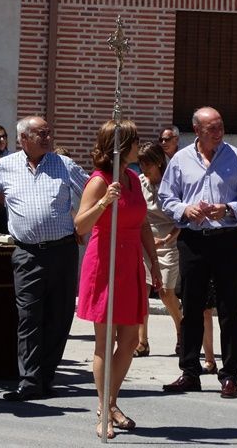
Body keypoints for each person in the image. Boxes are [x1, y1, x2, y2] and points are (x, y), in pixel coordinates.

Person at [0, 116, 88, 401]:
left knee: (59, 317)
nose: (48, 138)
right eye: (41, 134)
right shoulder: (7, 165)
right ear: (23, 139)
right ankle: (30, 381)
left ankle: (46, 377)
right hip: (27, 254)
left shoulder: (64, 164)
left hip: (62, 251)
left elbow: (91, 191)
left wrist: (82, 219)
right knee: (29, 318)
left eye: (49, 132)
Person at [158, 106, 237, 399]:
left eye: (221, 126)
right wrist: (185, 209)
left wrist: (228, 208)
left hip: (227, 239)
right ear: (197, 130)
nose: (219, 132)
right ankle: (189, 372)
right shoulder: (181, 160)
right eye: (212, 128)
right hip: (193, 240)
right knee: (191, 307)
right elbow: (166, 197)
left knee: (229, 309)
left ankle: (229, 376)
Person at [75, 121, 159, 439]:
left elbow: (143, 223)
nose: (140, 145)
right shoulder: (100, 181)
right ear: (121, 146)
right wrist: (104, 202)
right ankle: (104, 408)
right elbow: (80, 226)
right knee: (105, 341)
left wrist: (153, 262)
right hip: (105, 262)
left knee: (129, 341)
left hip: (130, 259)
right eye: (135, 140)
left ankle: (110, 403)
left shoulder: (133, 178)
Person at [135, 142, 181, 358]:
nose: (144, 168)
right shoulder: (138, 183)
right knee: (141, 292)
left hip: (168, 242)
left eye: (148, 164)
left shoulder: (172, 185)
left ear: (159, 163)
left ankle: (181, 332)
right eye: (141, 164)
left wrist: (166, 239)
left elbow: (182, 218)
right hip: (143, 242)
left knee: (165, 292)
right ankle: (142, 342)